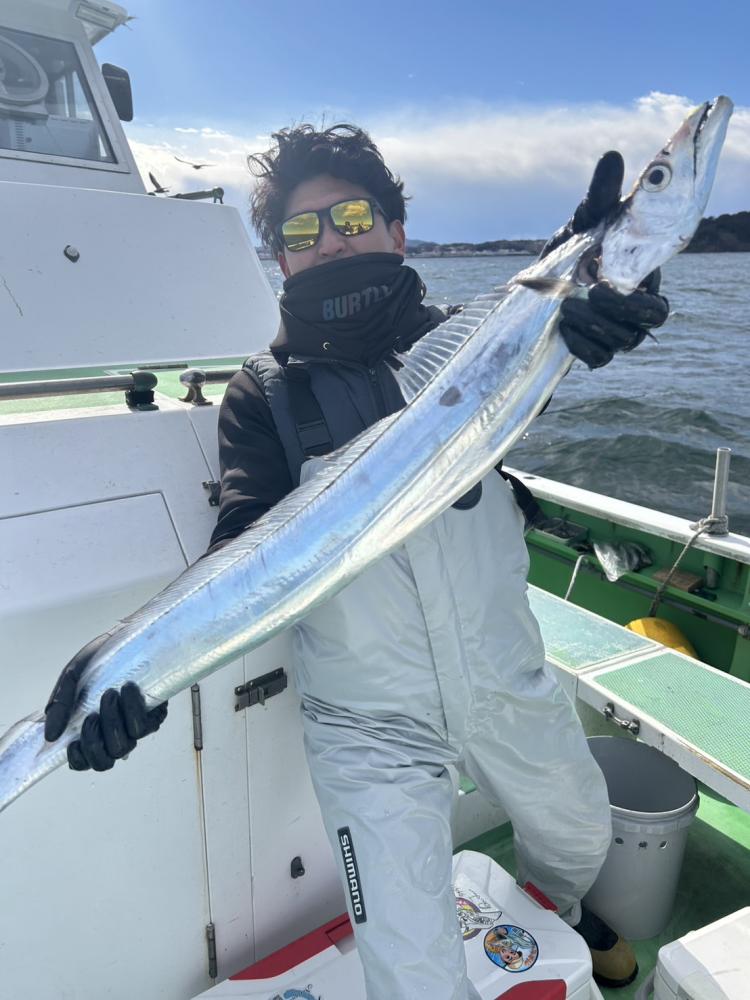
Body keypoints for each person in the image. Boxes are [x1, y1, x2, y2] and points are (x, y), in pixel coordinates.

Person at [44, 124, 669, 997]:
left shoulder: (476, 339)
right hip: (371, 727)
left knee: (580, 836)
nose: (331, 241)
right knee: (413, 979)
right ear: (281, 260)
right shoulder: (264, 393)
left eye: (351, 218)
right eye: (303, 232)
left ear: (396, 231)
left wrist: (603, 293)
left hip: (506, 678)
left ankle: (552, 911)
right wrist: (138, 670)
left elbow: (547, 338)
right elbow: (246, 545)